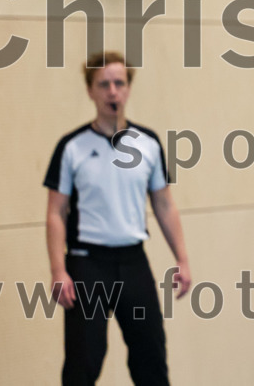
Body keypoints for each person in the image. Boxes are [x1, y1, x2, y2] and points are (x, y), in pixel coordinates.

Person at [44, 51, 191, 385]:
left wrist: (182, 259)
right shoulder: (72, 147)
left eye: (119, 83)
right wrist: (58, 270)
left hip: (133, 263)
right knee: (84, 361)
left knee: (151, 355)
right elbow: (55, 212)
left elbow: (164, 205)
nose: (113, 91)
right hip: (87, 264)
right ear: (91, 90)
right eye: (104, 84)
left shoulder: (148, 143)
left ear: (128, 88)